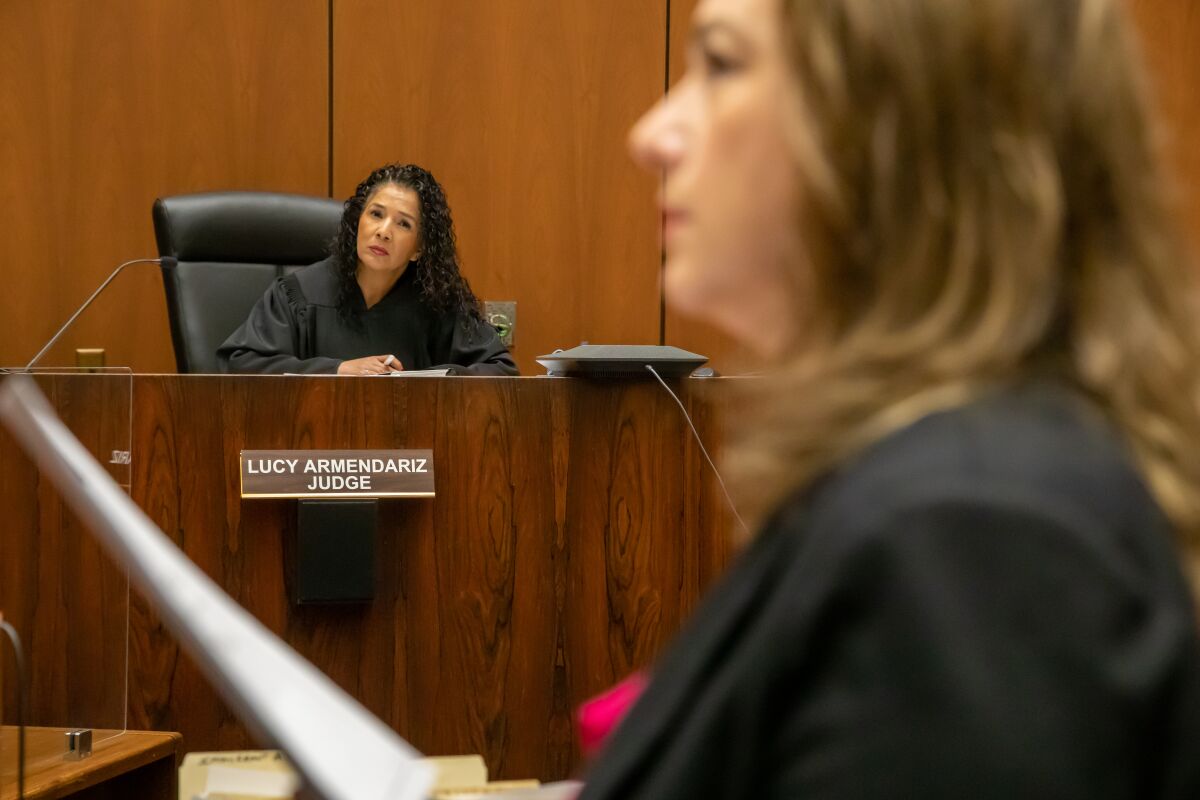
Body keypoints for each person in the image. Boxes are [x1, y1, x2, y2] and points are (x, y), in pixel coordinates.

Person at [579, 0, 1200, 797]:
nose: (651, 134)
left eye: (724, 65)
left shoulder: (974, 530)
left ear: (891, 124)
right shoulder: (953, 479)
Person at [217, 163, 518, 376]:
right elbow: (239, 364)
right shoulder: (298, 295)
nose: (383, 231)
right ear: (357, 221)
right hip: (311, 455)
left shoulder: (437, 303)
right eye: (376, 214)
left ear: (419, 248)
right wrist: (337, 370)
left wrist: (424, 381)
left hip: (408, 456)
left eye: (403, 224)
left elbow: (500, 370)